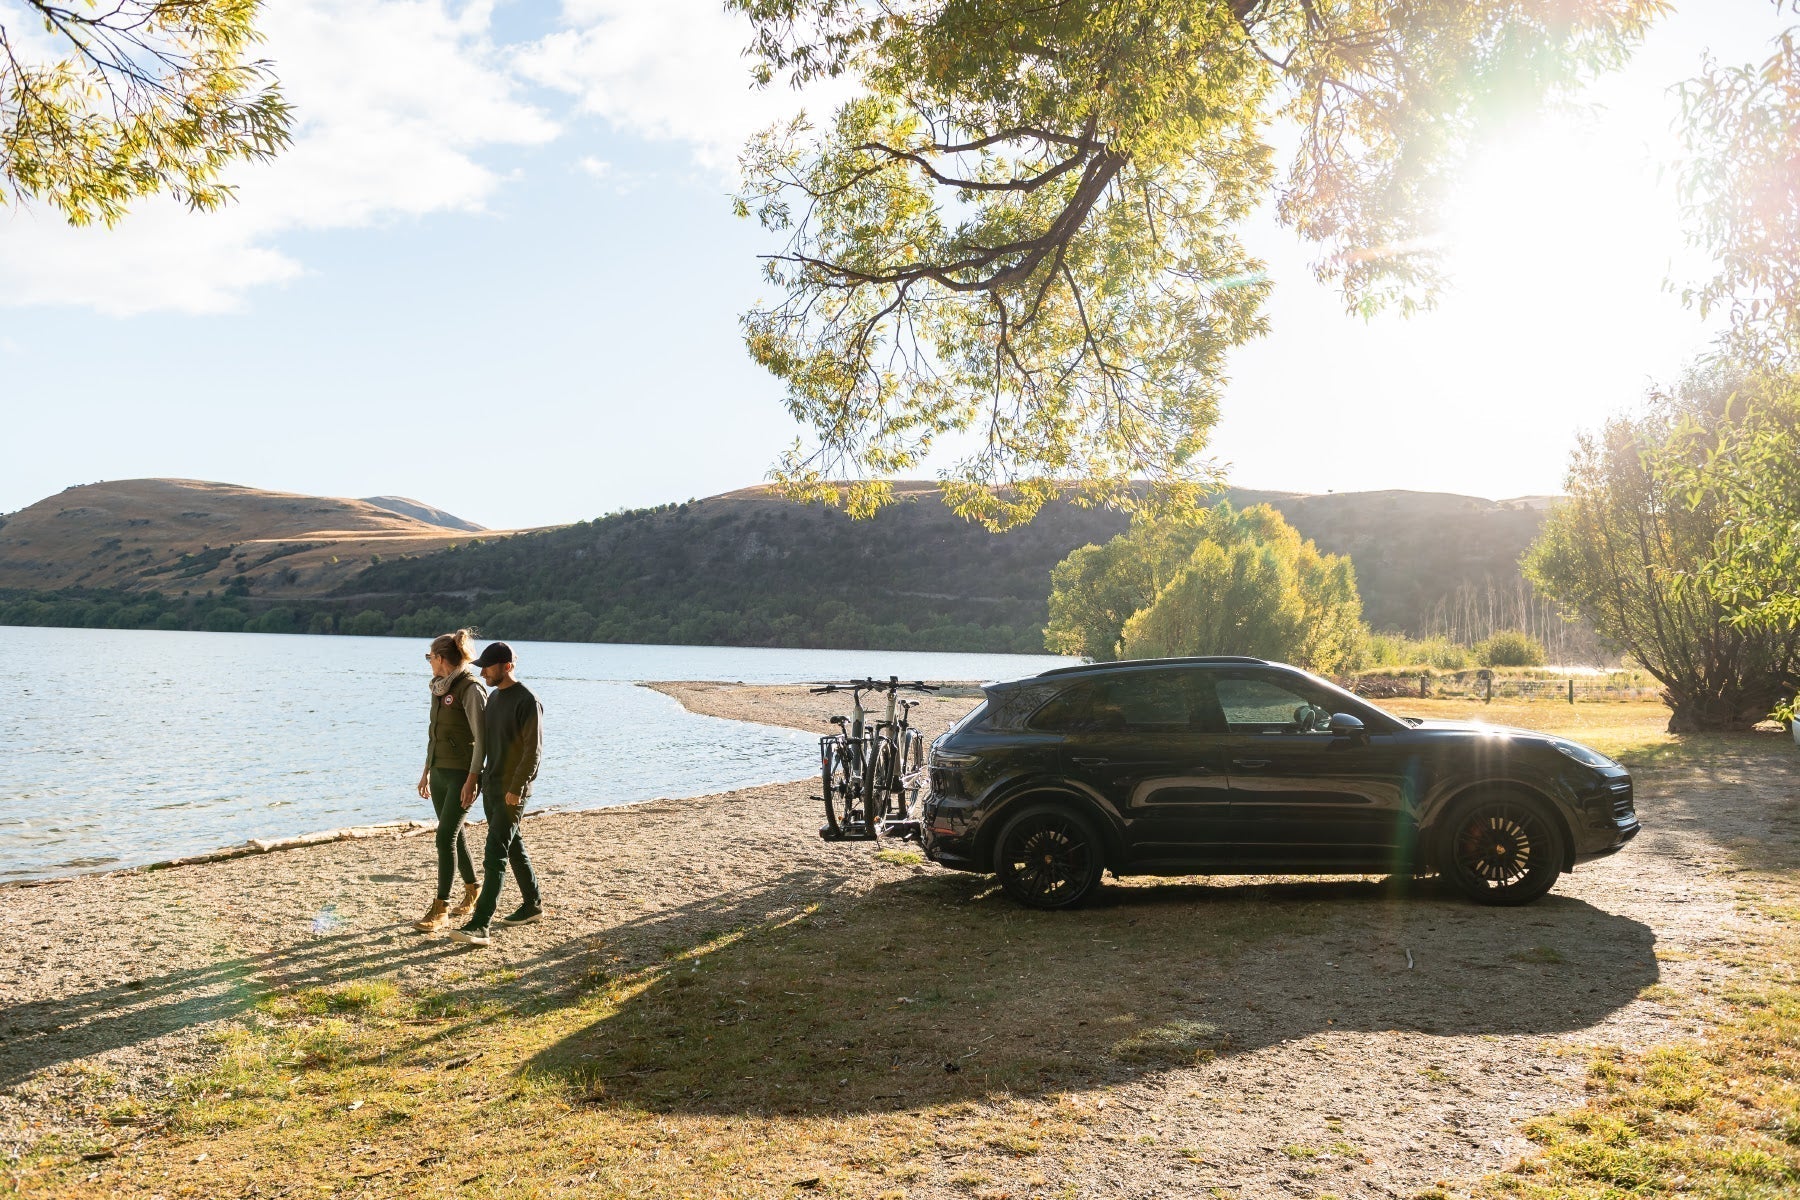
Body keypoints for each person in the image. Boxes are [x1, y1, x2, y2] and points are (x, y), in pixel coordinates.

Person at [451, 641, 545, 946]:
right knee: (512, 845)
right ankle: (532, 905)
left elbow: (533, 752)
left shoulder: (527, 700)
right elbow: (485, 745)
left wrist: (517, 788)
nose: (484, 672)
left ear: (506, 666)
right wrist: (474, 779)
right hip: (491, 786)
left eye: (488, 667)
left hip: (512, 791)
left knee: (495, 855)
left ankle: (481, 925)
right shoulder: (493, 698)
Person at [412, 630, 486, 932]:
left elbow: (482, 740)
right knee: (455, 836)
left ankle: (440, 908)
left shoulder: (470, 688)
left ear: (440, 658)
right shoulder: (439, 688)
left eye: (430, 657)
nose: (429, 662)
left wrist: (472, 779)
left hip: (461, 776)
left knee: (444, 837)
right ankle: (473, 889)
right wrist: (427, 770)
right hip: (440, 772)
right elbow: (435, 732)